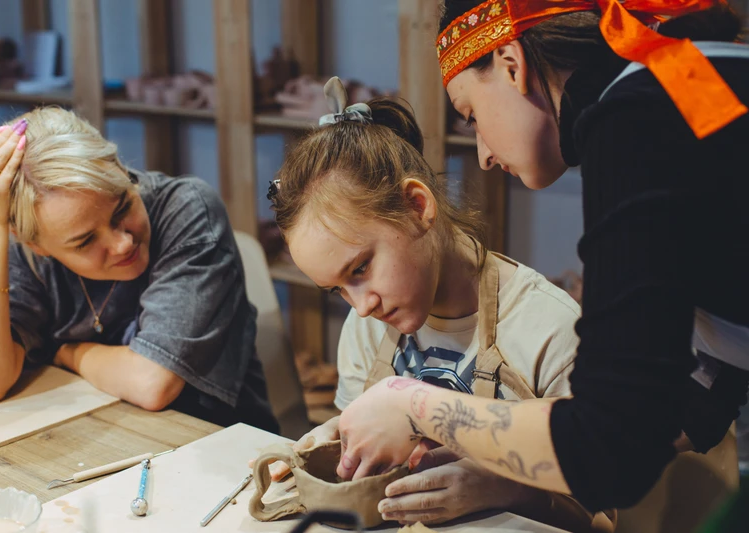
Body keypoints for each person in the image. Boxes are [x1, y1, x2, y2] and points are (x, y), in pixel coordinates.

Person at [335, 0, 749, 513]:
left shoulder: (636, 119)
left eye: (472, 116)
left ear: (512, 64)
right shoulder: (694, 77)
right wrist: (508, 462)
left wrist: (412, 402)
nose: (484, 154)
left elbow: (610, 447)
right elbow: (698, 394)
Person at [261, 77, 615, 531]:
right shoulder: (367, 328)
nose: (361, 306)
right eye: (337, 290)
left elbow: (601, 521)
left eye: (361, 268)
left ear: (417, 206)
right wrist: (339, 440)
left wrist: (507, 487)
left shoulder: (551, 330)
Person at [0, 107, 278, 433]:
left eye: (123, 207)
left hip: (219, 442)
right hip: (97, 436)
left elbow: (152, 382)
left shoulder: (186, 208)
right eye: (85, 241)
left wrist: (68, 354)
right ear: (35, 245)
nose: (122, 244)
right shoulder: (26, 249)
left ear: (122, 169)